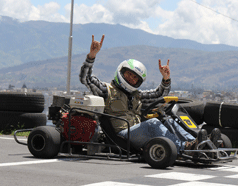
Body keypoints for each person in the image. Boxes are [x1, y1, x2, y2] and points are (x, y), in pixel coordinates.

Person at [79, 34, 221, 153]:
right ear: (121, 72)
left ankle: (198, 143)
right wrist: (91, 56)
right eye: (129, 74)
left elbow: (158, 95)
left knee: (169, 120)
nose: (132, 79)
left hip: (137, 132)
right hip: (122, 134)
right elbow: (86, 78)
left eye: (135, 78)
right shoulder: (106, 90)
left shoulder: (136, 95)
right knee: (153, 123)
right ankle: (184, 148)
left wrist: (165, 79)